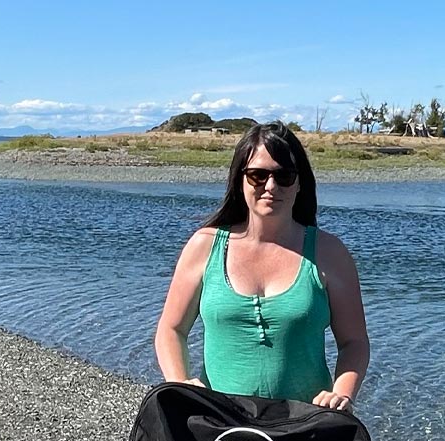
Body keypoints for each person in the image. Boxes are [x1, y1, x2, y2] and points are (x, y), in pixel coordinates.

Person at [154, 122, 369, 410]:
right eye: (257, 175)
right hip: (220, 423)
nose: (270, 186)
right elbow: (171, 329)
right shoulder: (205, 246)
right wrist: (181, 383)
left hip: (305, 424)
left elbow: (354, 342)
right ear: (239, 179)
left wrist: (341, 394)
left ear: (300, 183)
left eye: (284, 176)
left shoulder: (330, 253)